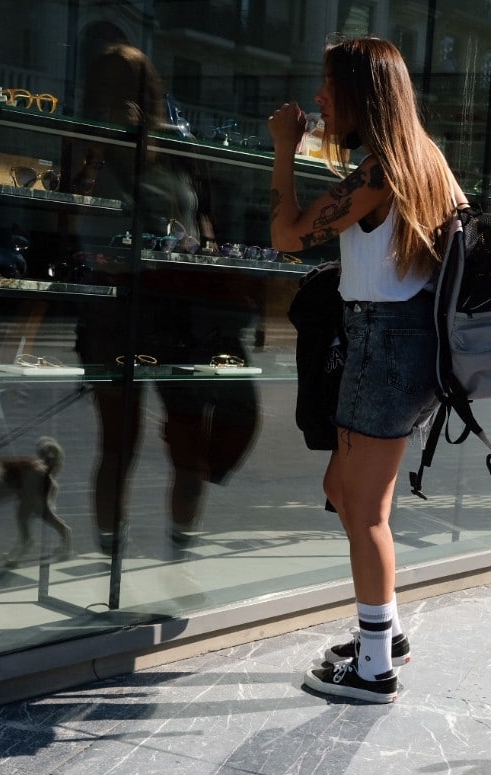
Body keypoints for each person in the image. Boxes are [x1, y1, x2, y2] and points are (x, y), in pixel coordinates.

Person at [268, 36, 466, 703]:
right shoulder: (424, 161)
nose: (319, 97)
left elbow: (288, 235)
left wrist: (283, 151)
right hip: (398, 344)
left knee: (366, 509)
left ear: (361, 93)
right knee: (348, 491)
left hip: (384, 346)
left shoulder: (381, 173)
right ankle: (385, 633)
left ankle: (376, 666)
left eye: (328, 86)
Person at [73, 43, 259, 557]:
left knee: (185, 443)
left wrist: (212, 260)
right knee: (119, 444)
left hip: (179, 312)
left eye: (133, 88)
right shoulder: (87, 144)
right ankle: (112, 560)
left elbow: (202, 224)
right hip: (116, 308)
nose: (124, 100)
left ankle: (181, 551)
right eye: (112, 89)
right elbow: (71, 219)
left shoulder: (176, 148)